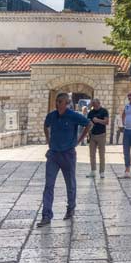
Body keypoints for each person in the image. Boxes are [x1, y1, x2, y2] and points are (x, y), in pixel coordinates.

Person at [39, 92, 89, 226]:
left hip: (68, 154)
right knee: (49, 185)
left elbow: (88, 124)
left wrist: (79, 140)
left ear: (67, 103)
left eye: (61, 101)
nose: (58, 103)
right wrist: (48, 140)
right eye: (57, 101)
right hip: (53, 154)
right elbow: (46, 125)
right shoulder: (52, 116)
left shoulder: (73, 116)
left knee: (70, 183)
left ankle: (71, 207)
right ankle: (46, 215)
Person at [79, 98, 109, 179]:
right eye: (93, 104)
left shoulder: (104, 111)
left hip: (101, 135)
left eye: (95, 104)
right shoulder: (91, 113)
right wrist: (89, 126)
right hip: (92, 135)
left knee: (101, 154)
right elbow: (88, 122)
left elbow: (106, 122)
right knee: (92, 154)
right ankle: (93, 171)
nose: (94, 106)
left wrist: (98, 120)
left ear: (99, 103)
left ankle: (102, 172)